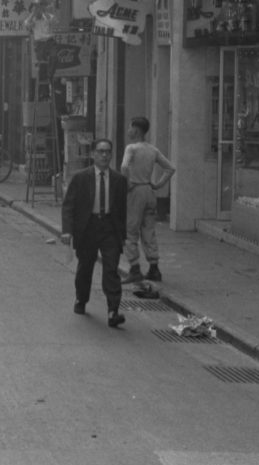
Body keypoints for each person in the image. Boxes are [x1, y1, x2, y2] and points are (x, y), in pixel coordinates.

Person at [61, 138, 128, 327]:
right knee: (85, 267)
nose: (104, 155)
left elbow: (122, 211)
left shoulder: (119, 180)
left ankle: (113, 310)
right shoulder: (81, 178)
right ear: (93, 154)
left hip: (109, 229)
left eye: (108, 151)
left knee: (111, 269)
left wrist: (125, 236)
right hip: (88, 227)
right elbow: (68, 206)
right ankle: (81, 299)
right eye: (100, 151)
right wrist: (67, 231)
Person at [119, 116, 176, 283]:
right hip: (149, 191)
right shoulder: (153, 150)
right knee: (149, 230)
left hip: (135, 191)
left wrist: (127, 183)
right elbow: (170, 168)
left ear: (136, 130)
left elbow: (123, 166)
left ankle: (135, 268)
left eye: (130, 128)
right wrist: (158, 185)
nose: (129, 131)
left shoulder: (131, 148)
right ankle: (154, 268)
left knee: (130, 230)